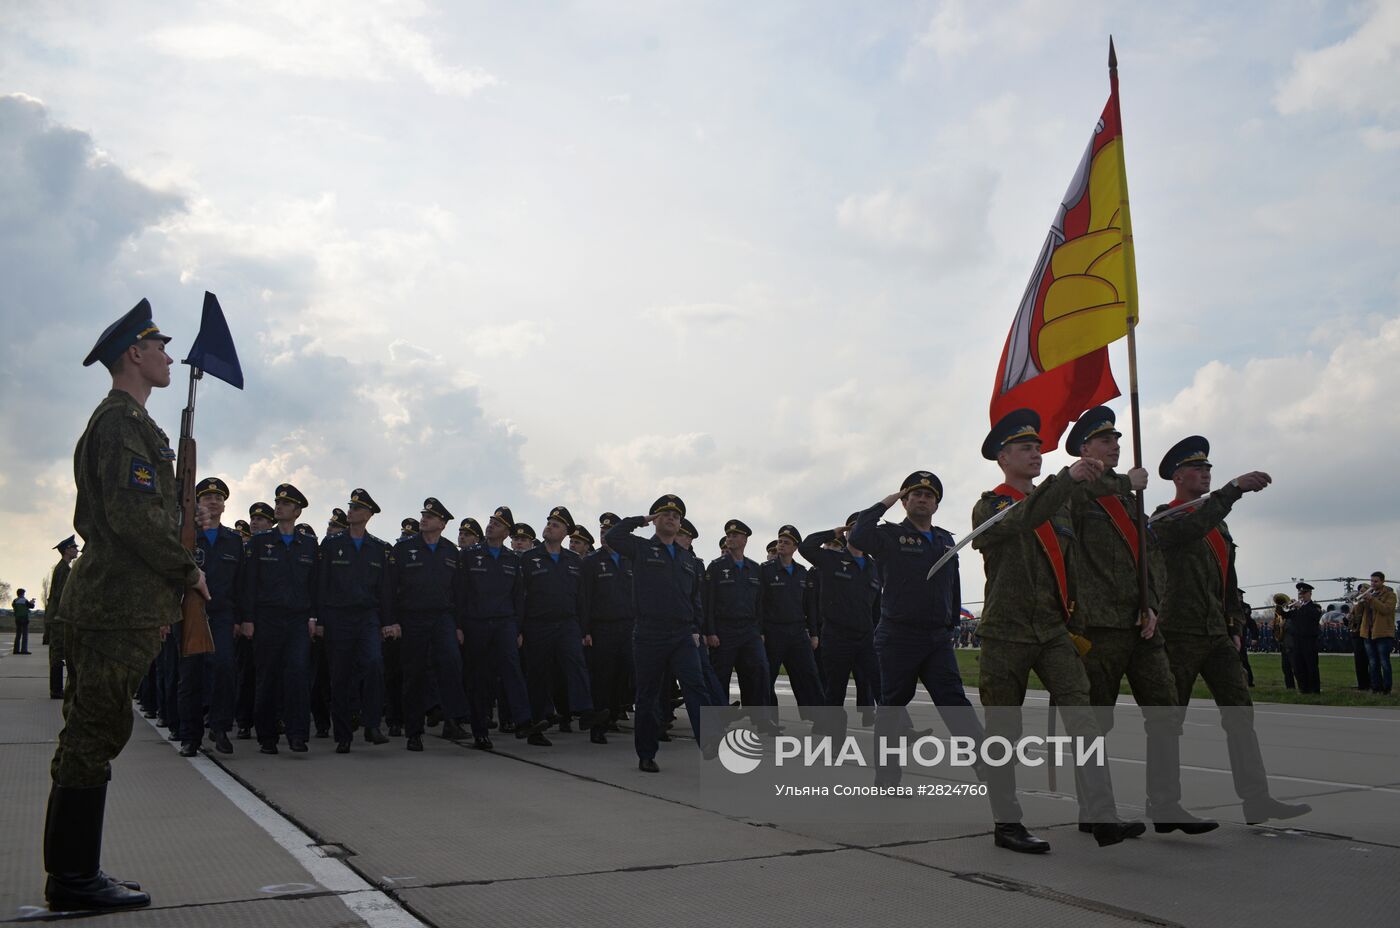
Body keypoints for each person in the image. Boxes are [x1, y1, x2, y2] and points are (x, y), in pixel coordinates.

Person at [44, 299, 210, 910]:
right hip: (114, 605)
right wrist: (187, 571)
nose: (169, 356)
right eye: (160, 347)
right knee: (93, 733)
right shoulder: (121, 422)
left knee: (98, 730)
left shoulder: (130, 423)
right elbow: (134, 516)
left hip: (121, 603)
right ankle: (73, 880)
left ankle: (76, 871)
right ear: (134, 355)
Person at [972, 409, 1144, 852]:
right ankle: (1006, 824)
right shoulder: (990, 506)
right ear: (1002, 458)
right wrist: (1066, 479)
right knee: (1003, 731)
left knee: (1084, 720)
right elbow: (1024, 518)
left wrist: (1122, 480)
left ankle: (1102, 817)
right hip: (1005, 633)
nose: (1035, 454)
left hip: (1052, 631)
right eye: (1025, 448)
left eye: (1038, 448)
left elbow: (1073, 565)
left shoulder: (1062, 503)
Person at [1063, 408, 1215, 834]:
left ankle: (1166, 805)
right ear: (1084, 449)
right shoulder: (1074, 492)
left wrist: (1153, 605)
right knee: (1095, 721)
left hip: (1141, 625)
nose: (1115, 445)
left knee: (1166, 712)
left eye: (1116, 439)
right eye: (1105, 440)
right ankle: (1095, 811)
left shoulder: (1131, 500)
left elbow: (1150, 558)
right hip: (1098, 626)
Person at [1152, 435, 1310, 824]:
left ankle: (1256, 799)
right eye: (1197, 468)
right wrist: (1235, 489)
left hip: (1217, 633)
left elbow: (1227, 577)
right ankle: (1164, 804)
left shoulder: (1216, 522)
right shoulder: (1165, 517)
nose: (1205, 473)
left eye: (1209, 469)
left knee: (1240, 715)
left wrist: (1235, 622)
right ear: (1177, 476)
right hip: (1180, 633)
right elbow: (1193, 526)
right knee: (1169, 720)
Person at [605, 494, 716, 772]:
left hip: (681, 635)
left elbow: (694, 599)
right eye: (665, 514)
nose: (671, 519)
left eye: (676, 516)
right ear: (656, 520)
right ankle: (646, 752)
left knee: (696, 687)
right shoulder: (642, 548)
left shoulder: (686, 559)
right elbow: (614, 537)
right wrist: (641, 520)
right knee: (648, 695)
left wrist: (695, 629)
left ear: (681, 524)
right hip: (649, 632)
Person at [458, 506, 552, 748]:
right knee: (480, 678)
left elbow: (518, 597)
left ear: (506, 532)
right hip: (476, 623)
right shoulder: (469, 555)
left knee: (513, 670)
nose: (490, 526)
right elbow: (460, 593)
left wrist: (518, 628)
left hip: (504, 623)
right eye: (490, 521)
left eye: (497, 524)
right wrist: (459, 625)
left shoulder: (512, 559)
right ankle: (480, 731)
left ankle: (523, 720)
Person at [317, 489, 394, 753]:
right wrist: (319, 619)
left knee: (373, 664)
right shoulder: (331, 544)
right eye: (350, 506)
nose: (351, 511)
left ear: (368, 515)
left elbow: (384, 589)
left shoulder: (378, 548)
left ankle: (372, 724)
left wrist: (388, 621)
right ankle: (343, 734)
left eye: (357, 508)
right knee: (340, 674)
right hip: (338, 616)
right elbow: (322, 584)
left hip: (367, 616)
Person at [244, 483, 318, 755]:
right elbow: (249, 584)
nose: (279, 507)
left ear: (297, 511)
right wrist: (248, 619)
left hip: (298, 620)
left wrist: (313, 616)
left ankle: (297, 735)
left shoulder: (308, 544)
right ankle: (267, 736)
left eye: (286, 504)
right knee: (268, 677)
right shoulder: (261, 541)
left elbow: (314, 584)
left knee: (298, 676)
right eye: (277, 502)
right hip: (267, 619)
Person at [392, 497, 471, 751]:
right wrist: (392, 620)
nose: (424, 519)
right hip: (413, 617)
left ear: (442, 523)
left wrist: (458, 625)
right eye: (423, 515)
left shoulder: (450, 551)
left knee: (451, 666)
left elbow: (458, 592)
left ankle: (452, 721)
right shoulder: (404, 549)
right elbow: (390, 587)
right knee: (414, 674)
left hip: (443, 618)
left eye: (430, 517)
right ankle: (414, 731)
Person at [519, 507, 606, 737]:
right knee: (538, 673)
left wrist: (583, 628)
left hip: (567, 623)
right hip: (538, 624)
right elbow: (520, 595)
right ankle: (539, 721)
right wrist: (520, 627)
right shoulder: (529, 558)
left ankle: (584, 711)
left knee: (576, 665)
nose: (549, 526)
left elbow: (582, 598)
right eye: (548, 522)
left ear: (565, 532)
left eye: (556, 525)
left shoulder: (574, 561)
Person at [177, 478, 245, 756]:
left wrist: (241, 618)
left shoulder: (233, 540)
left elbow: (241, 583)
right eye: (207, 497)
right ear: (198, 503)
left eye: (218, 498)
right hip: (190, 614)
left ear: (225, 505)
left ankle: (219, 727)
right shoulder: (186, 536)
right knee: (190, 677)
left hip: (222, 614)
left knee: (225, 669)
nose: (213, 502)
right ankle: (190, 737)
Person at [799, 513, 880, 726]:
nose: (859, 532)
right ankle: (834, 739)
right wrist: (834, 532)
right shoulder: (832, 559)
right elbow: (806, 547)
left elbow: (878, 607)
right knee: (835, 691)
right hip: (837, 636)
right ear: (847, 533)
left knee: (882, 686)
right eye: (854, 528)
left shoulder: (874, 567)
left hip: (865, 637)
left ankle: (900, 729)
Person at [703, 519, 773, 729]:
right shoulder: (716, 567)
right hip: (724, 629)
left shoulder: (754, 568)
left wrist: (759, 630)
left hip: (749, 630)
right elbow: (708, 602)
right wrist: (710, 631)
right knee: (720, 674)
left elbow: (760, 602)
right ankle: (718, 719)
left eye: (735, 535)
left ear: (744, 539)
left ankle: (761, 719)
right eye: (728, 535)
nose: (730, 538)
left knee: (759, 670)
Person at [580, 513, 636, 744]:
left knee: (624, 675)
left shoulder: (630, 560)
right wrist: (586, 630)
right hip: (602, 628)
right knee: (603, 677)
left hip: (629, 627)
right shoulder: (591, 561)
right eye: (602, 532)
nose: (604, 536)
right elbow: (585, 599)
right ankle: (598, 726)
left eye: (608, 532)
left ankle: (614, 715)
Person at [759, 525, 825, 713]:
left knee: (808, 675)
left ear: (795, 547)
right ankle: (767, 720)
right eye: (779, 541)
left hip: (797, 632)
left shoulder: (802, 572)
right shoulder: (765, 570)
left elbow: (809, 606)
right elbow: (759, 604)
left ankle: (819, 718)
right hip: (773, 631)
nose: (781, 545)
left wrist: (813, 633)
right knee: (767, 676)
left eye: (786, 542)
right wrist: (760, 631)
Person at [46, 537, 80, 698]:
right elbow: (61, 595)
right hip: (59, 618)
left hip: (58, 617)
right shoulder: (63, 569)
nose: (76, 549)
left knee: (58, 653)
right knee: (58, 653)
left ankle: (57, 688)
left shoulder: (64, 568)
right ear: (67, 550)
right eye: (74, 547)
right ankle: (56, 690)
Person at [1356, 571, 1396, 695]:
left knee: (1384, 662)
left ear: (1382, 582)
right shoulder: (1369, 594)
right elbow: (1358, 612)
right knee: (1373, 663)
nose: (1373, 583)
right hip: (1368, 633)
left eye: (1376, 581)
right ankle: (1375, 687)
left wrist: (1371, 599)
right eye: (1371, 581)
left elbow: (1386, 610)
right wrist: (1360, 600)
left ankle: (1387, 688)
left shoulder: (1390, 595)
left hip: (1383, 634)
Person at [1286, 582, 1322, 694]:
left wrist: (1301, 607)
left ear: (1310, 594)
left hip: (1309, 640)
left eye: (1304, 593)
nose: (1301, 595)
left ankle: (1314, 689)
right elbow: (1285, 615)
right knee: (1298, 665)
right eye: (1300, 593)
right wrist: (1282, 606)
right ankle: (1303, 688)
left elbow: (1315, 617)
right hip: (1296, 640)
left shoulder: (1315, 607)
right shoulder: (1295, 608)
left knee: (1311, 665)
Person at [1270, 594, 1296, 690]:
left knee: (1296, 668)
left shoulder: (1291, 616)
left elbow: (1293, 628)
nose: (1278, 608)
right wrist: (1276, 627)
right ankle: (1290, 687)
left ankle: (1302, 687)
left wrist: (1282, 626)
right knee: (1285, 668)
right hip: (1284, 645)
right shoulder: (1279, 617)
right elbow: (1277, 634)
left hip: (1292, 644)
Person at [11, 588, 35, 654]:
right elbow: (31, 606)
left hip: (17, 619)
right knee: (25, 635)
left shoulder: (15, 600)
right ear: (22, 594)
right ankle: (24, 650)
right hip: (24, 619)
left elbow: (13, 606)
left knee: (18, 635)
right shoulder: (25, 600)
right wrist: (32, 602)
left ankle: (16, 650)